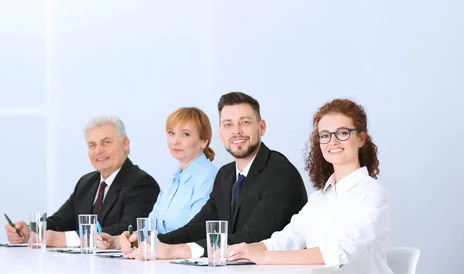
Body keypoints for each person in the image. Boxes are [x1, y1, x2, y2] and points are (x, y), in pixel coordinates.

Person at [124, 92, 308, 259]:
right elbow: (197, 228)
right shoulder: (226, 175)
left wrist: (179, 251)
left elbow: (252, 237)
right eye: (228, 124)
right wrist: (149, 243)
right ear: (220, 133)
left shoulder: (279, 171)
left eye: (245, 122)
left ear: (261, 127)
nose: (236, 131)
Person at [227, 99, 392, 274]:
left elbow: (338, 252)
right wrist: (243, 250)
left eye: (342, 133)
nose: (333, 142)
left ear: (360, 138)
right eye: (325, 135)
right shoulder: (319, 198)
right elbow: (287, 239)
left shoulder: (373, 195)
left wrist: (264, 257)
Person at [4, 115, 160, 247]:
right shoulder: (86, 182)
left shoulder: (142, 183)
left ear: (125, 143)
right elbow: (60, 221)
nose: (98, 151)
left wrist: (64, 239)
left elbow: (129, 231)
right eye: (92, 145)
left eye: (106, 142)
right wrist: (32, 231)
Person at [98, 107, 218, 249]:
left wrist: (149, 242)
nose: (175, 141)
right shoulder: (174, 180)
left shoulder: (208, 178)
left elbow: (193, 231)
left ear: (204, 141)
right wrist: (118, 240)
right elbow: (151, 225)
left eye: (185, 134)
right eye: (171, 133)